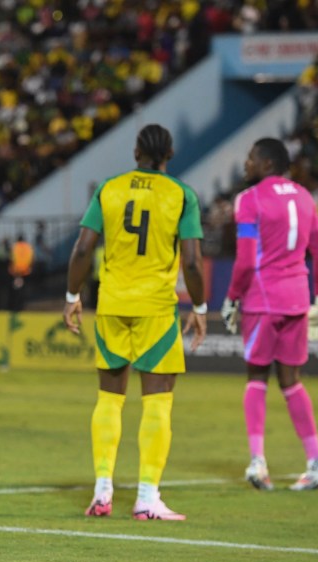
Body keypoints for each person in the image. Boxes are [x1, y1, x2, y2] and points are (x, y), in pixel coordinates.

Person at [63, 124, 207, 521]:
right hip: (157, 308)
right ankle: (146, 497)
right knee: (157, 400)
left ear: (136, 152)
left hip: (111, 303)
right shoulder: (181, 195)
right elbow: (193, 262)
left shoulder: (109, 188)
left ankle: (102, 491)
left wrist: (73, 297)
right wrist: (200, 306)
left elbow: (82, 249)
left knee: (109, 398)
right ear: (169, 154)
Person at [221, 137, 318, 492]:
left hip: (262, 299)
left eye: (251, 158)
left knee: (256, 377)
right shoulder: (304, 197)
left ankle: (257, 462)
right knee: (292, 381)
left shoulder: (249, 200)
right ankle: (317, 464)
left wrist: (231, 298)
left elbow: (244, 259)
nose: (246, 164)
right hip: (298, 299)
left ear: (267, 163)